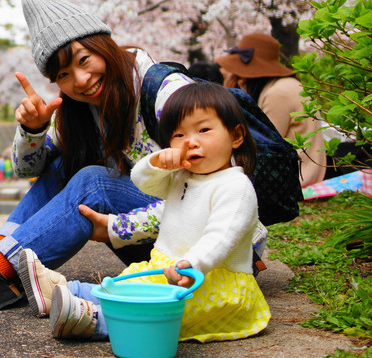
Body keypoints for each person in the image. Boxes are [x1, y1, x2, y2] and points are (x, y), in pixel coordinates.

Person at [0, 0, 194, 325]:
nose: (82, 80)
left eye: (84, 60)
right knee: (61, 165)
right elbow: (28, 169)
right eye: (63, 75)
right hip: (156, 245)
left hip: (203, 247)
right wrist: (33, 131)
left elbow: (211, 197)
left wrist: (120, 227)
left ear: (104, 45)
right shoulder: (79, 110)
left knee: (94, 182)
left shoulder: (165, 92)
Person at [25, 82, 270, 343]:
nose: (191, 142)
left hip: (209, 282)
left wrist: (193, 264)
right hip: (168, 269)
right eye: (179, 136)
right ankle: (63, 291)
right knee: (124, 285)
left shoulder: (235, 187)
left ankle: (93, 319)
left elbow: (221, 236)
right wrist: (156, 163)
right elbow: (143, 182)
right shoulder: (182, 176)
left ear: (236, 136)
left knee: (158, 313)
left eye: (204, 130)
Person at [216, 33, 326, 187]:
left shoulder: (277, 94)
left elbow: (261, 145)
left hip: (295, 180)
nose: (240, 80)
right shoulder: (286, 85)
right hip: (307, 171)